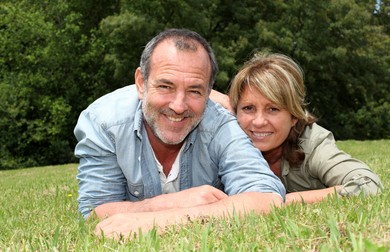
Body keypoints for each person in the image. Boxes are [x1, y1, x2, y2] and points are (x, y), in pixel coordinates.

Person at [74, 29, 285, 239]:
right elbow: (94, 215)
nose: (178, 106)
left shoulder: (222, 126)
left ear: (209, 91)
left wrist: (162, 221)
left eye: (194, 91)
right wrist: (174, 202)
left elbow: (267, 199)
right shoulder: (103, 122)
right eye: (166, 86)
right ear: (141, 83)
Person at [218, 52, 383, 205]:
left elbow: (367, 185)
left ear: (294, 116)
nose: (259, 121)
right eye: (248, 108)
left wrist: (287, 200)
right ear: (235, 111)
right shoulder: (222, 139)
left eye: (273, 109)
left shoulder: (311, 143)